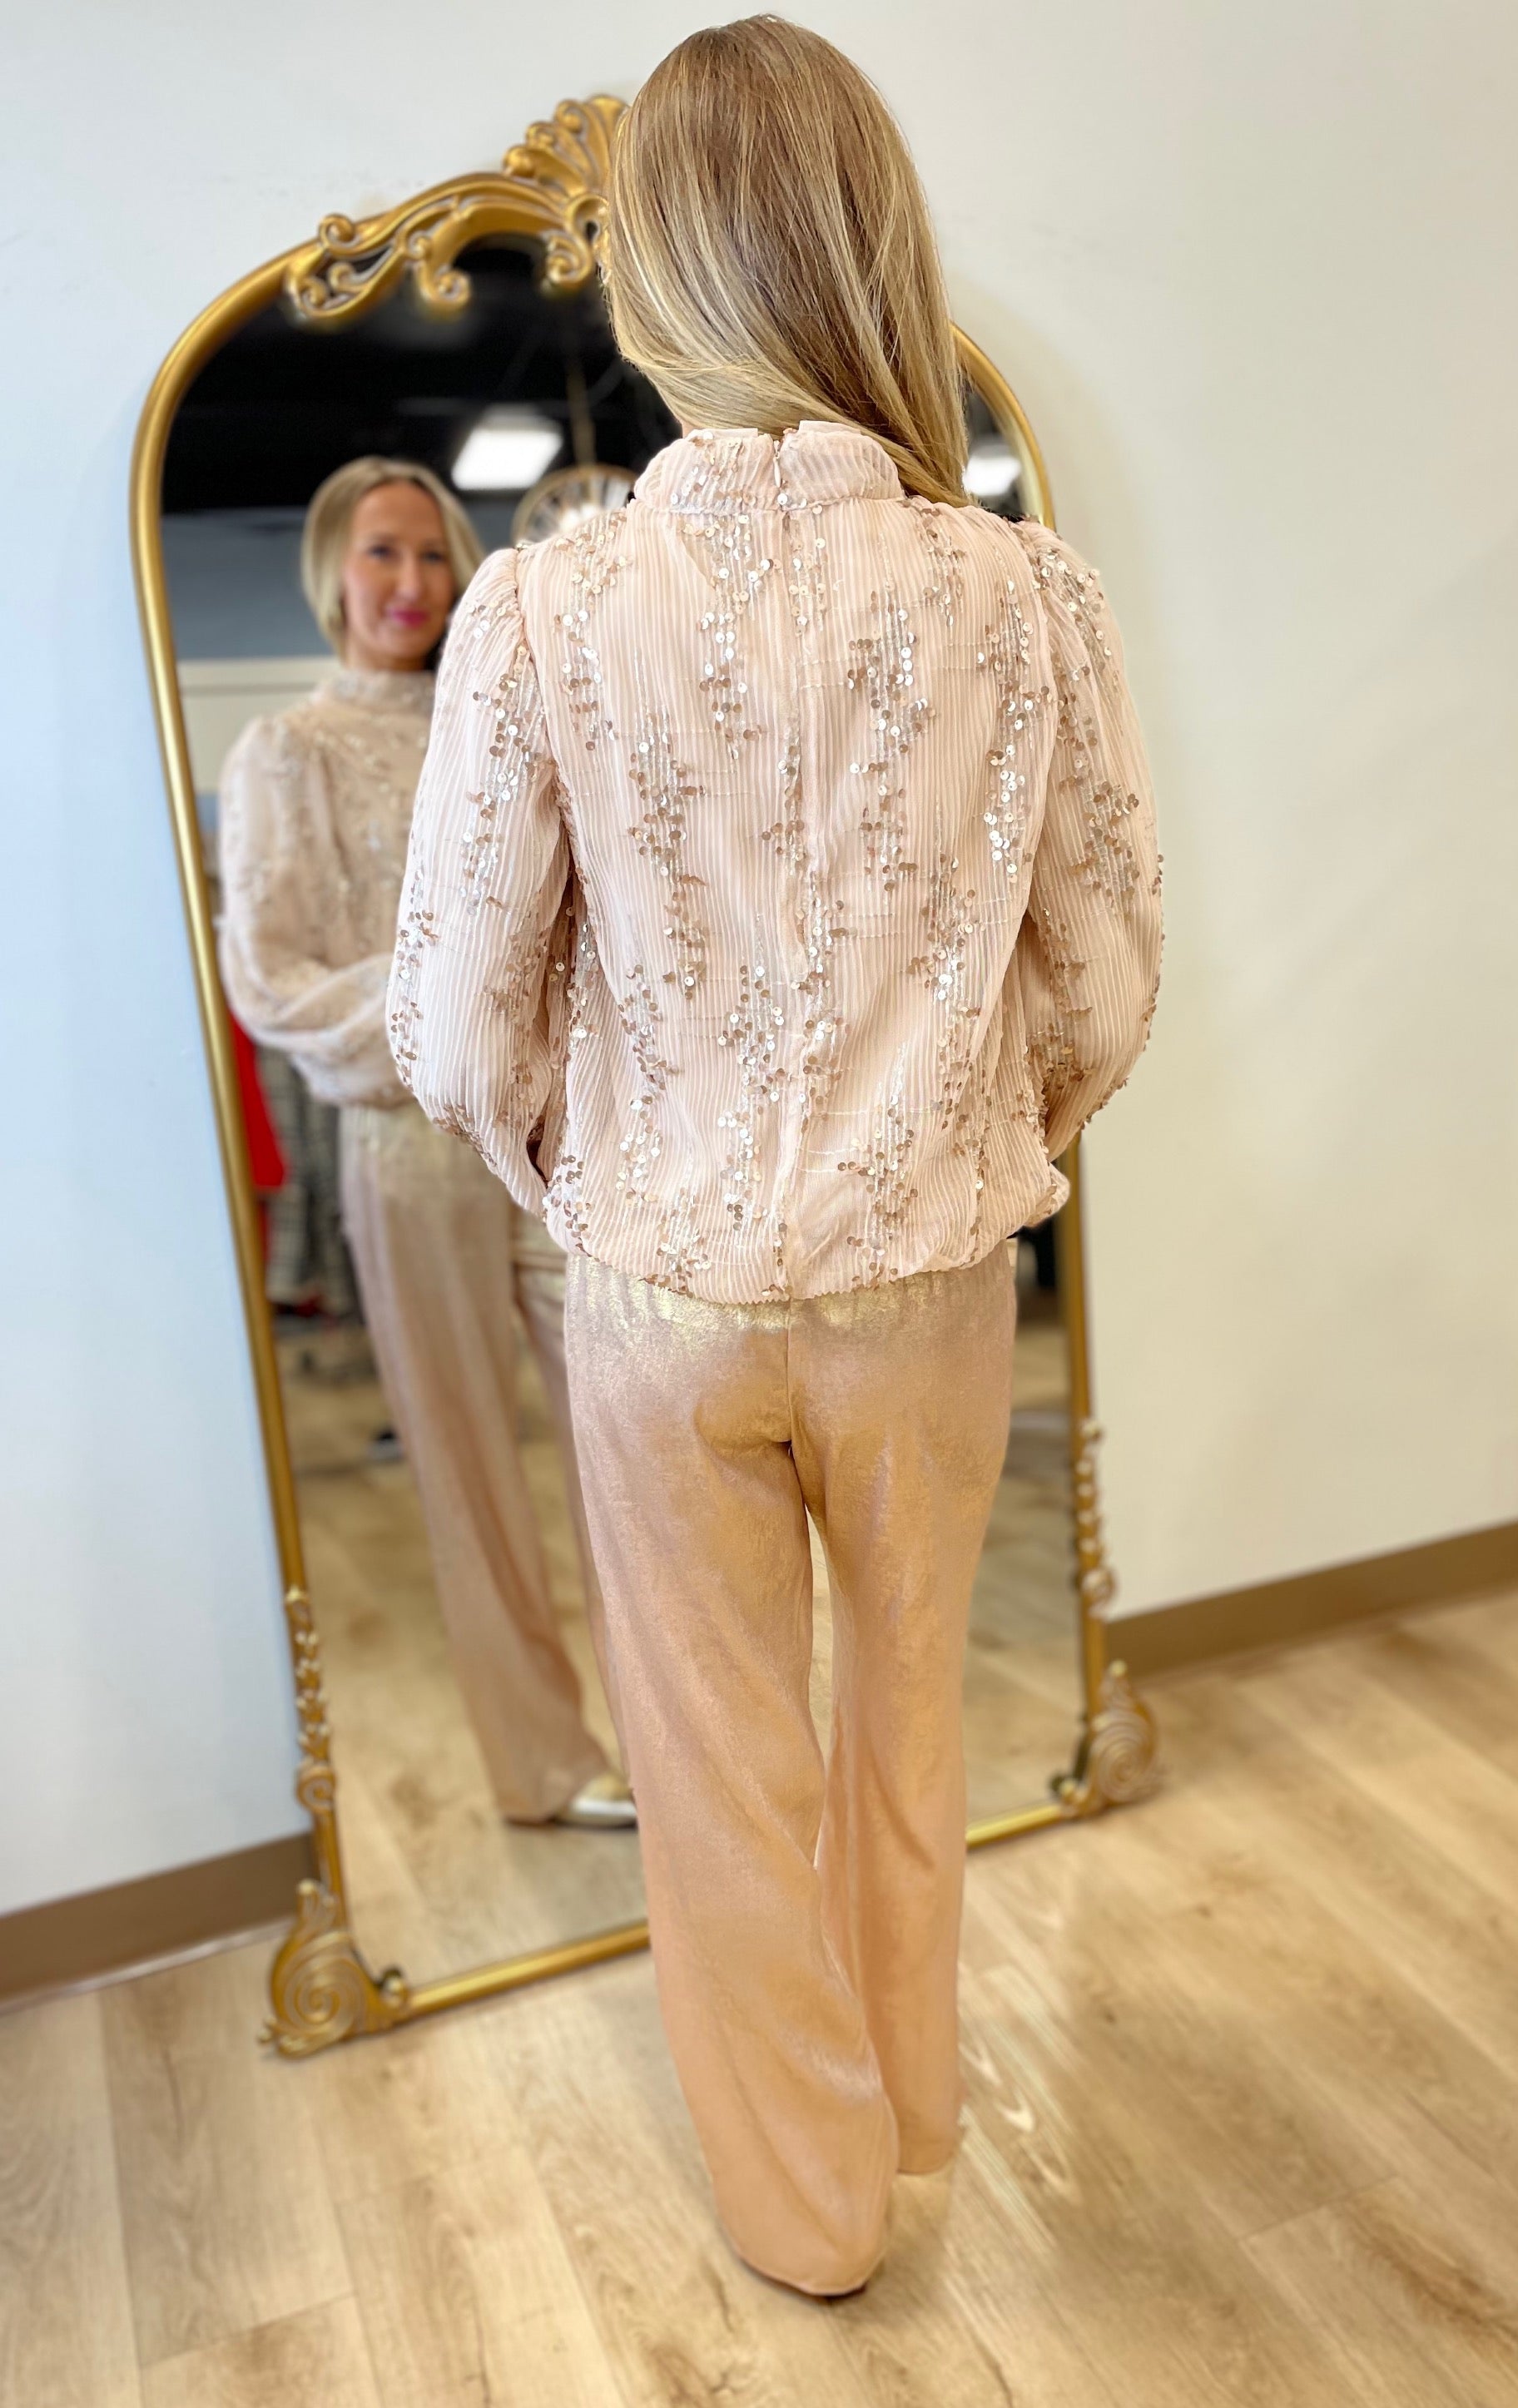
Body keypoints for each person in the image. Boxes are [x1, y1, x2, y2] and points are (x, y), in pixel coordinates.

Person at [393, 17, 1162, 2293]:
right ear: (868, 248)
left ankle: (807, 2212)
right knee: (910, 1722)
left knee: (715, 1772)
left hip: (664, 1303)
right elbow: (1110, 979)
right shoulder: (1022, 592)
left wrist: (583, 1161)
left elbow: (452, 1022)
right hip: (928, 1291)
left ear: (658, 276)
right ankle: (906, 2122)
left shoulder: (548, 606)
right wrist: (983, 1129)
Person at [218, 455, 632, 1830]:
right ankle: (544, 1766)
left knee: (633, 1435)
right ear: (330, 570)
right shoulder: (286, 751)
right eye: (382, 553)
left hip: (555, 1132)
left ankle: (678, 1740)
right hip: (407, 1144)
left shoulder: (505, 726)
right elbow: (270, 979)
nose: (410, 582)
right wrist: (447, 1016)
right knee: (466, 1467)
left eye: (433, 554)